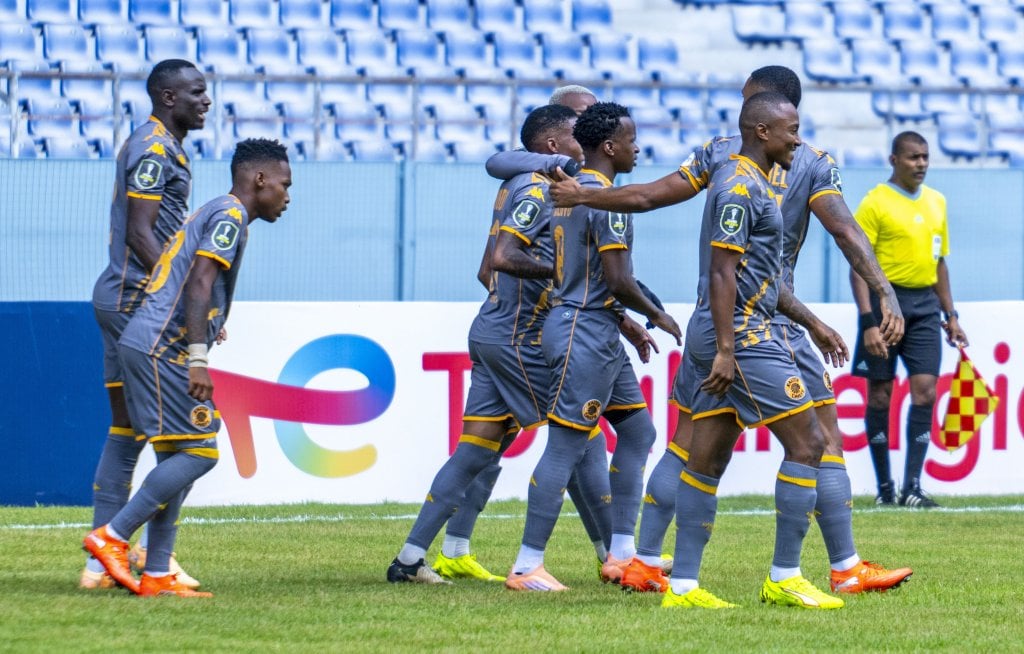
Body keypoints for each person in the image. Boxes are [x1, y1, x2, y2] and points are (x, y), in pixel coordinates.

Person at [546, 66, 911, 597]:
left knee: (693, 448)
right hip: (759, 324)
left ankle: (652, 564)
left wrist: (584, 197)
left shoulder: (724, 155)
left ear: (763, 108)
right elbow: (839, 230)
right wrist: (881, 291)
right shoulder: (801, 166)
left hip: (718, 317)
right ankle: (834, 568)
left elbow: (650, 196)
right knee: (819, 441)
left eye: (746, 100)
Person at [387, 105, 656, 585]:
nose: (582, 146)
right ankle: (609, 558)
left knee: (475, 450)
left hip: (497, 330)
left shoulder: (528, 184)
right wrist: (560, 279)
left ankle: (409, 559)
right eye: (575, 136)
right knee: (581, 440)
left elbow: (484, 268)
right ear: (553, 144)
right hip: (519, 337)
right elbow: (501, 258)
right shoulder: (538, 188)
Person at [83, 139, 293, 597]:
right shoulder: (230, 215)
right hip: (165, 348)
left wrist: (211, 321)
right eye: (284, 184)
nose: (288, 196)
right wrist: (198, 356)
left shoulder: (216, 210)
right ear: (260, 180)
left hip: (152, 341)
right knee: (200, 451)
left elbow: (193, 282)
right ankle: (112, 537)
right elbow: (199, 280)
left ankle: (157, 572)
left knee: (175, 455)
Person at [660, 91, 844, 609]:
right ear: (762, 131)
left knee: (707, 456)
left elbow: (756, 272)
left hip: (731, 331)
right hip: (740, 335)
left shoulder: (754, 181)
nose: (798, 140)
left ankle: (683, 587)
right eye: (791, 130)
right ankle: (785, 577)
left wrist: (810, 321)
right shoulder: (740, 186)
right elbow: (722, 271)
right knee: (809, 444)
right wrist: (725, 348)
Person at [506, 102, 682, 591]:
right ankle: (526, 565)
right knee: (565, 443)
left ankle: (622, 554)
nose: (637, 146)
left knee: (639, 431)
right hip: (584, 331)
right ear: (609, 147)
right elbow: (619, 278)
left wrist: (625, 320)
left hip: (593, 325)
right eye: (631, 139)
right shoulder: (609, 199)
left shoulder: (569, 194)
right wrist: (657, 313)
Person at [83, 59, 210, 591]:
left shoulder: (160, 145)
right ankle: (156, 561)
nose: (206, 101)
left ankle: (98, 567)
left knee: (126, 431)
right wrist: (178, 299)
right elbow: (141, 232)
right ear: (166, 96)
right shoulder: (154, 149)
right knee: (182, 442)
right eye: (196, 92)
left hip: (121, 298)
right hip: (139, 303)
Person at [850, 131, 968, 508]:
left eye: (925, 157)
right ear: (894, 160)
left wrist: (951, 315)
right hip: (886, 303)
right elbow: (858, 266)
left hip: (924, 305)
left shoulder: (937, 202)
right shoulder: (874, 203)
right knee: (881, 396)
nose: (921, 164)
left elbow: (940, 263)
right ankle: (885, 488)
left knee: (926, 392)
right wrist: (869, 320)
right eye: (914, 157)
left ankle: (912, 487)